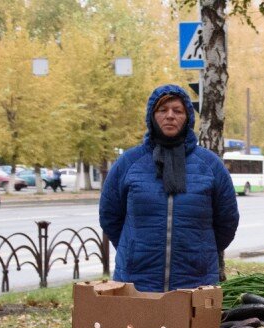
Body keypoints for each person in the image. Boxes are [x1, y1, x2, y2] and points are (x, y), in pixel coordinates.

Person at [100, 84, 239, 292]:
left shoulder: (210, 166)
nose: (170, 116)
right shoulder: (129, 163)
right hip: (136, 282)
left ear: (188, 117)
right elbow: (110, 216)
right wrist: (133, 249)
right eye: (162, 110)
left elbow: (227, 220)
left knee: (189, 326)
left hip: (195, 283)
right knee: (138, 326)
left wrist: (201, 251)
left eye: (178, 110)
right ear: (151, 116)